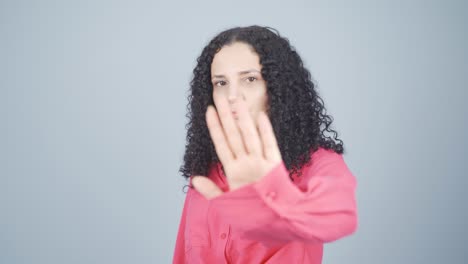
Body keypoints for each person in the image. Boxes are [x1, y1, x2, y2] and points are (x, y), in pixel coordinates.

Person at [173, 25, 358, 264]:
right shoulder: (206, 168)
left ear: (277, 88)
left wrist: (279, 197)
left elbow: (339, 216)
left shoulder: (318, 162)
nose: (232, 96)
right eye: (220, 83)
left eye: (250, 79)